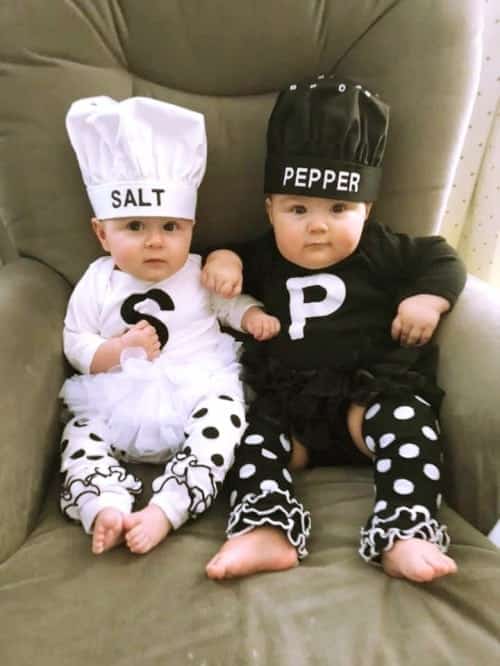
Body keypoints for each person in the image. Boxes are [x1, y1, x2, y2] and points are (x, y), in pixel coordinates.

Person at [202, 76, 467, 582]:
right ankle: (264, 527)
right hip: (290, 407)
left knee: (409, 422)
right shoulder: (261, 252)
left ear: (367, 210)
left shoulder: (383, 248)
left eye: (339, 209)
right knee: (249, 439)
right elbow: (224, 250)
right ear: (270, 210)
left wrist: (426, 300)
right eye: (297, 209)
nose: (317, 225)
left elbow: (442, 257)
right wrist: (224, 261)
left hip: (365, 400)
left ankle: (405, 529)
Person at [59, 96, 277, 556]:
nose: (155, 241)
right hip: (115, 398)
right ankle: (102, 505)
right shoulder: (97, 281)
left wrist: (253, 315)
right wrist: (116, 351)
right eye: (134, 226)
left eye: (171, 227)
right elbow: (75, 340)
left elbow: (230, 307)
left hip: (198, 387)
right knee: (79, 434)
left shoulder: (199, 271)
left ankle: (170, 506)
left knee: (226, 420)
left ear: (191, 229)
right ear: (102, 233)